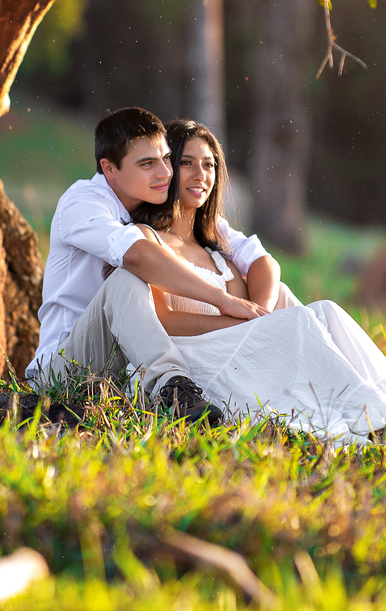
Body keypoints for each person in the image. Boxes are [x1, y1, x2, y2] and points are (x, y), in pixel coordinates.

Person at [130, 119, 386, 452]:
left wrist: (256, 320)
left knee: (327, 311)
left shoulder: (215, 243)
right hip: (195, 361)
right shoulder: (149, 240)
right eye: (186, 163)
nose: (200, 175)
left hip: (237, 351)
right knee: (297, 322)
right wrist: (245, 323)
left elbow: (264, 269)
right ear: (167, 169)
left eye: (209, 165)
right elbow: (161, 319)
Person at [25, 108, 280, 424]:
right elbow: (137, 256)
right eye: (147, 164)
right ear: (109, 168)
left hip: (120, 372)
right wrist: (224, 302)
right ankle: (174, 390)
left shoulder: (155, 208)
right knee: (125, 280)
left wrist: (261, 317)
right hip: (66, 369)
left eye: (166, 159)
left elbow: (255, 254)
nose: (165, 173)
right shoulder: (84, 202)